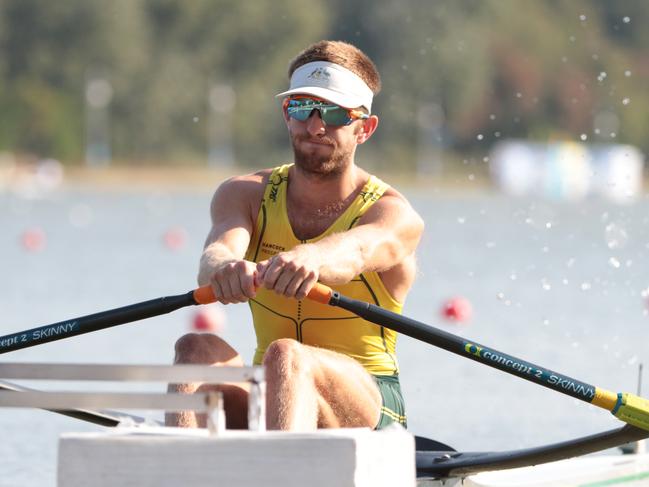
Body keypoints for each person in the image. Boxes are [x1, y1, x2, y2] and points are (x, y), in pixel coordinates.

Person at [166, 40, 424, 431]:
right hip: (272, 395)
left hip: (369, 404)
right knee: (195, 347)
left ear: (365, 128)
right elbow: (217, 252)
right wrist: (224, 267)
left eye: (335, 113)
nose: (315, 126)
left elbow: (356, 251)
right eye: (302, 107)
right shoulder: (245, 194)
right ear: (287, 116)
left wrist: (312, 258)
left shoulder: (392, 214)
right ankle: (180, 467)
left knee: (287, 355)